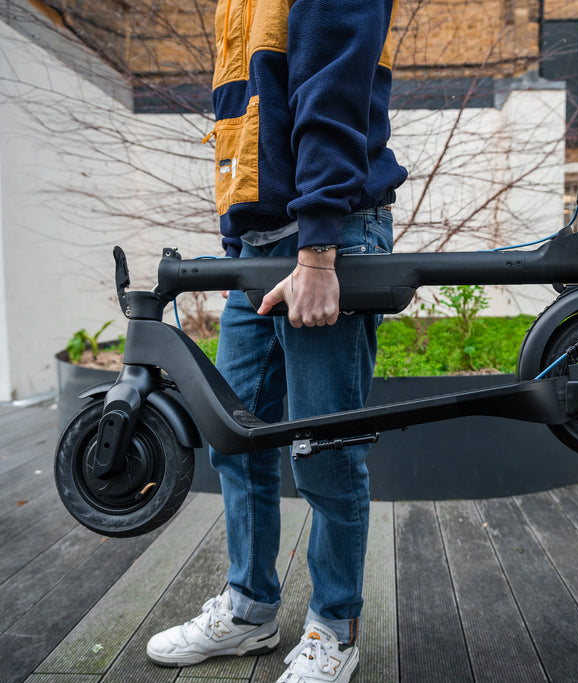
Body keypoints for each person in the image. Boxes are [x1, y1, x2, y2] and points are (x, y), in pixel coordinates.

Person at [146, 1, 406, 681]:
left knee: (323, 450)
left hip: (324, 239)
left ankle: (334, 626)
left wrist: (318, 249)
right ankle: (250, 608)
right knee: (235, 436)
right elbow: (252, 111)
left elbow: (334, 91)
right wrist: (239, 238)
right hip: (258, 249)